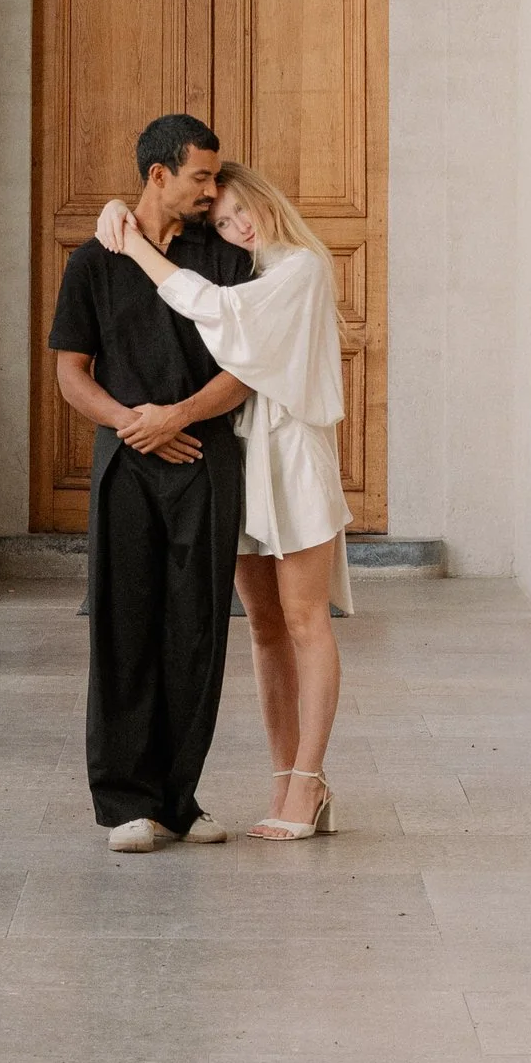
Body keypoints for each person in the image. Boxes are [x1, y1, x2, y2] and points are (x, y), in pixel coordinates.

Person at [96, 161, 350, 843]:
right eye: (221, 219)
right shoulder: (249, 268)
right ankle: (281, 777)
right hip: (241, 456)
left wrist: (134, 243)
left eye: (239, 209)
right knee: (264, 628)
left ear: (264, 200)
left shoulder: (301, 266)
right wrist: (118, 211)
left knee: (305, 621)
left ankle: (310, 779)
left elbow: (216, 310)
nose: (234, 225)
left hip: (293, 459)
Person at [49, 112, 253, 851]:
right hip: (125, 467)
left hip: (206, 461)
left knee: (197, 631)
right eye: (200, 176)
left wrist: (180, 418)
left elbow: (247, 366)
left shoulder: (224, 255)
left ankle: (179, 797)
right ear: (157, 175)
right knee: (122, 627)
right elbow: (72, 373)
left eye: (215, 176)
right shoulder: (92, 262)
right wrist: (134, 424)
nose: (212, 189)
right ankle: (124, 802)